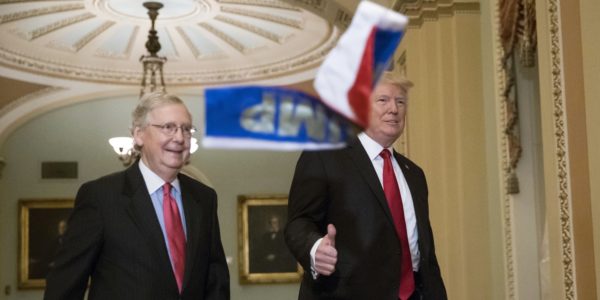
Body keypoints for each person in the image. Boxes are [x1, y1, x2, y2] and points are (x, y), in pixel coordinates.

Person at [44, 92, 230, 300]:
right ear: (139, 134)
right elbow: (64, 286)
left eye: (186, 129)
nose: (179, 138)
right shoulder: (100, 197)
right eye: (168, 127)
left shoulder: (204, 198)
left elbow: (216, 281)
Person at [284, 72, 447, 300]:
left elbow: (425, 255)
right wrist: (314, 248)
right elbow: (298, 222)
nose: (394, 109)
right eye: (383, 100)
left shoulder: (415, 175)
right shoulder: (323, 156)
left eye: (400, 101)